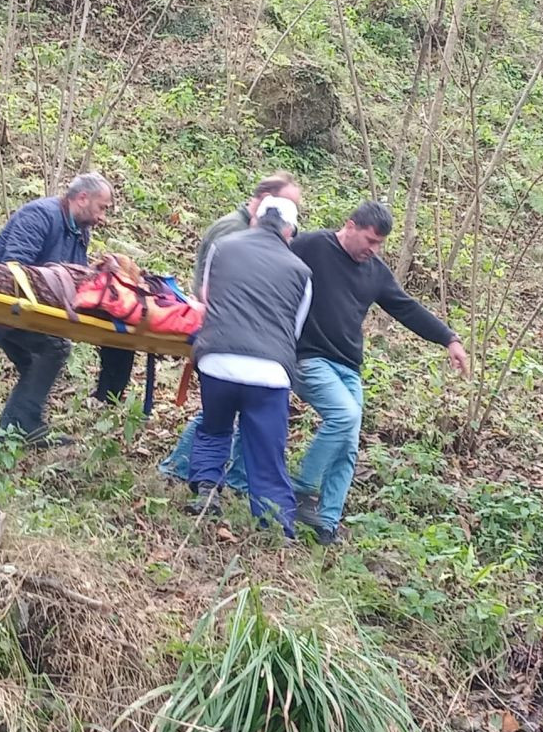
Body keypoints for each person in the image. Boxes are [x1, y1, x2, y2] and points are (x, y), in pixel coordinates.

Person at [290, 201, 468, 544]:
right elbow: (273, 262)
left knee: (348, 442)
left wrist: (449, 338)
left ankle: (327, 522)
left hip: (348, 366)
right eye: (370, 241)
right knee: (344, 415)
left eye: (380, 244)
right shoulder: (313, 246)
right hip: (308, 357)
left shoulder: (376, 272)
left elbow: (407, 309)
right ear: (350, 225)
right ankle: (300, 490)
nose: (373, 250)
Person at [158, 172, 303, 492]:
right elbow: (206, 288)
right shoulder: (230, 233)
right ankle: (180, 468)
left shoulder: (245, 237)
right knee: (218, 421)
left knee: (222, 417)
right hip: (229, 334)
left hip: (232, 339)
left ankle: (220, 480)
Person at [0, 172, 134, 445]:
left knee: (37, 360)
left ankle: (14, 431)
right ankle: (23, 428)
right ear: (82, 198)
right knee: (52, 349)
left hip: (32, 308)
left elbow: (71, 277)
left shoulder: (80, 230)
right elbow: (13, 268)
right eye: (102, 208)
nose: (103, 217)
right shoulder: (40, 215)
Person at [187, 197, 311, 538]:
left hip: (217, 361)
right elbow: (295, 330)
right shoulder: (301, 272)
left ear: (255, 220)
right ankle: (274, 525)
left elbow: (207, 298)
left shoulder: (222, 247)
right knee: (266, 450)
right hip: (268, 373)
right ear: (290, 231)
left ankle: (206, 490)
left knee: (214, 428)